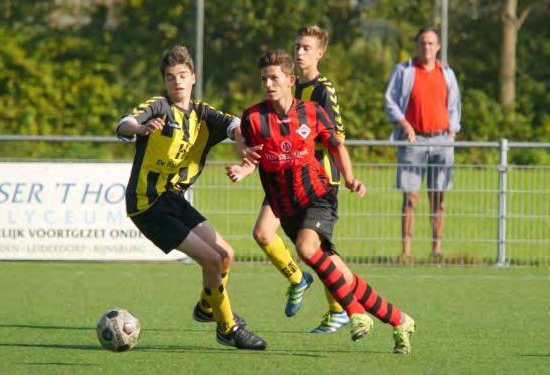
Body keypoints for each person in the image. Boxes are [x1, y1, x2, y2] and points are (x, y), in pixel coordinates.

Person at [228, 49, 416, 354]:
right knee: (342, 275)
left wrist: (351, 177)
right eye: (264, 78)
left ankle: (355, 314)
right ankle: (400, 320)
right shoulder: (253, 117)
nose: (268, 83)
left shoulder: (312, 112)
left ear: (290, 80)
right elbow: (251, 155)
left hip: (318, 194)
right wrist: (242, 168)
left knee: (306, 248)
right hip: (285, 207)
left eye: (274, 78)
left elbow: (336, 146)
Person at [115, 44, 266, 350]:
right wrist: (141, 128)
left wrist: (240, 142)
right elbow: (123, 124)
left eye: (183, 75)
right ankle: (228, 328)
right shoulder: (158, 107)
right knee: (210, 259)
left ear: (193, 77)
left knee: (226, 255)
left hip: (174, 199)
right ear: (165, 83)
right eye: (171, 77)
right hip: (148, 204)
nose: (177, 82)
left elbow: (235, 123)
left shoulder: (203, 114)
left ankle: (207, 307)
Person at [247, 25, 349, 334]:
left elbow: (337, 137)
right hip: (284, 174)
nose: (300, 52)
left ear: (320, 53)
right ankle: (297, 278)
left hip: (316, 177)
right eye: (297, 46)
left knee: (316, 249)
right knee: (263, 233)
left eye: (306, 47)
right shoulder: (288, 86)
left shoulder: (323, 89)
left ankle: (340, 307)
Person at [385, 26, 461, 259]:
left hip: (441, 140)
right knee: (410, 198)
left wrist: (452, 131)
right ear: (417, 45)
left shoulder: (447, 72)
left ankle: (436, 250)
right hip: (412, 140)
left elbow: (455, 106)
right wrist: (404, 124)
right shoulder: (404, 71)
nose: (426, 47)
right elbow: (390, 101)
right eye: (422, 43)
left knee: (438, 197)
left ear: (438, 47)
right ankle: (406, 252)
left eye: (431, 43)